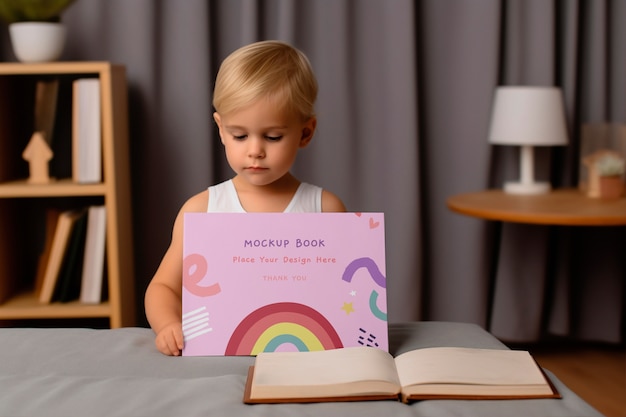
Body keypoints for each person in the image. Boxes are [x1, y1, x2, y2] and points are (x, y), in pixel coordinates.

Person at [144, 40, 347, 356]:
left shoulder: (326, 210)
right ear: (221, 129)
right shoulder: (200, 211)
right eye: (240, 135)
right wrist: (168, 325)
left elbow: (346, 295)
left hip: (303, 356)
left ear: (306, 133)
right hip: (217, 360)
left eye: (273, 136)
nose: (255, 150)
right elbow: (162, 288)